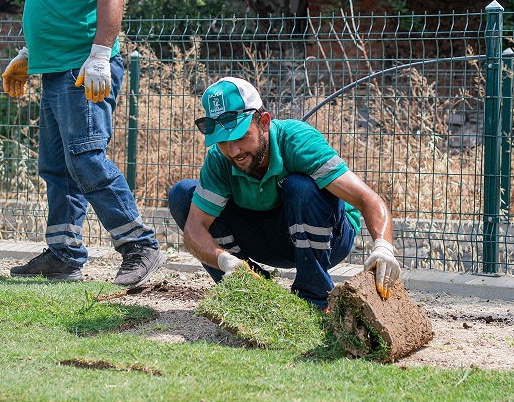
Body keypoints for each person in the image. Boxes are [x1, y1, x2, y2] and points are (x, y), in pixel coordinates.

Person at [0, 0, 164, 287]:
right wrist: (31, 54)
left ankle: (139, 245)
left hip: (82, 71)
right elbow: (62, 6)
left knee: (85, 157)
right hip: (57, 69)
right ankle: (64, 253)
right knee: (56, 165)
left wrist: (101, 54)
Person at [167, 77, 401, 309]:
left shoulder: (298, 141)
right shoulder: (220, 160)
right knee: (182, 195)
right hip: (266, 236)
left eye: (240, 136)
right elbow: (194, 228)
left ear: (264, 122)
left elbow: (368, 199)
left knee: (299, 186)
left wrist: (383, 247)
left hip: (329, 236)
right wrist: (224, 260)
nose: (233, 150)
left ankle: (314, 298)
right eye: (222, 141)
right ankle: (249, 291)